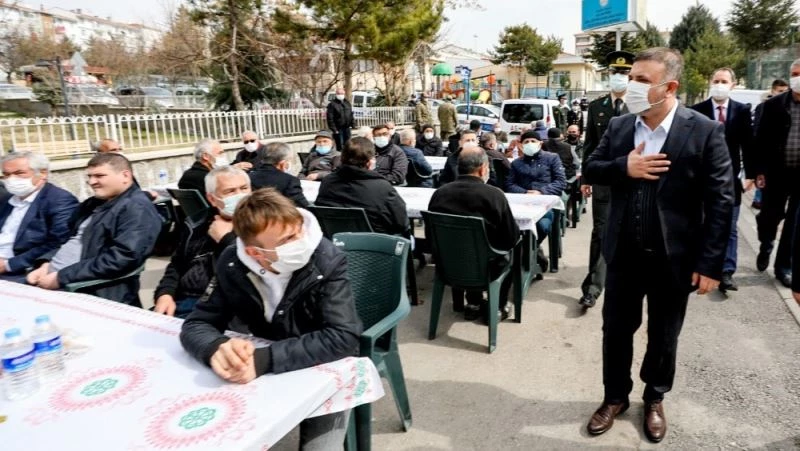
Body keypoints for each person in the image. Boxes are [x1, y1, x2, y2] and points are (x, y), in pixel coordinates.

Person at [583, 47, 734, 443]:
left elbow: (721, 201)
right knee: (616, 330)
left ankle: (654, 398)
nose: (632, 85)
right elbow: (590, 168)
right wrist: (624, 167)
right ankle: (614, 397)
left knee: (664, 335)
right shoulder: (620, 127)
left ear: (669, 88)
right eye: (632, 77)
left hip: (674, 258)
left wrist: (712, 264)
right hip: (623, 254)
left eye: (642, 80)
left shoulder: (703, 131)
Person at [179, 188, 361, 449]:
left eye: (298, 229)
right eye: (287, 240)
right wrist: (215, 348)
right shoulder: (233, 263)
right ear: (255, 253)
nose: (301, 241)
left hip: (321, 366)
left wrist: (263, 359)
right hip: (259, 369)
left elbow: (343, 336)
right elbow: (199, 322)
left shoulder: (325, 258)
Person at [26, 153, 163, 306]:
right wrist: (46, 263)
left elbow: (123, 257)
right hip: (53, 277)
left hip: (86, 289)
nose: (92, 182)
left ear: (125, 176)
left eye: (99, 176)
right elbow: (70, 239)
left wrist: (61, 277)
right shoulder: (94, 204)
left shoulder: (136, 208)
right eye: (89, 176)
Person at [428, 144, 520, 321]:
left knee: (469, 248)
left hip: (448, 264)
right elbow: (510, 237)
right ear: (482, 169)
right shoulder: (494, 195)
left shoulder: (440, 194)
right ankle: (499, 305)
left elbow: (431, 233)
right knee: (510, 250)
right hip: (486, 267)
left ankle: (473, 302)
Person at [690, 67, 755, 293]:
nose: (719, 84)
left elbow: (748, 145)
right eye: (716, 80)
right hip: (701, 179)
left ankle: (726, 271)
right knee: (701, 222)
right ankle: (699, 265)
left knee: (729, 226)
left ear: (732, 85)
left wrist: (752, 175)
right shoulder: (696, 111)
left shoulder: (741, 111)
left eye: (724, 81)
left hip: (731, 179)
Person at [153, 166, 249, 318]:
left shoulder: (261, 225)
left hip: (222, 307)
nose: (240, 195)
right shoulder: (197, 223)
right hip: (182, 299)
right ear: (212, 199)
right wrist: (165, 293)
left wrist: (226, 240)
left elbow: (253, 274)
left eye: (244, 188)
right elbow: (177, 264)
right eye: (230, 191)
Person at [578, 50, 633, 309]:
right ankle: (592, 288)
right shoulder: (597, 106)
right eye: (615, 73)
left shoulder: (639, 105)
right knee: (601, 231)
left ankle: (623, 283)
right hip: (603, 179)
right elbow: (589, 145)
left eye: (624, 73)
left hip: (634, 180)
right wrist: (586, 177)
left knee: (630, 234)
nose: (619, 77)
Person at [754, 66, 800, 288]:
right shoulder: (774, 105)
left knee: (794, 223)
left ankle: (784, 267)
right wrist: (759, 171)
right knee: (769, 217)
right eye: (795, 74)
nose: (798, 79)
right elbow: (760, 139)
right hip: (776, 173)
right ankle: (766, 244)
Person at [0, 152, 78, 281]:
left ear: (43, 173)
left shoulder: (59, 200)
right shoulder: (7, 199)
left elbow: (59, 243)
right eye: (6, 175)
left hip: (22, 270)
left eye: (19, 173)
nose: (11, 179)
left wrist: (8, 265)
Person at [315, 137, 410, 236]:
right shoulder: (382, 187)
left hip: (336, 241)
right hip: (376, 245)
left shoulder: (327, 182)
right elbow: (402, 223)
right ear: (369, 162)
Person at [506, 129, 565, 252]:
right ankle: (529, 253)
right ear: (521, 145)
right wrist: (525, 193)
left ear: (540, 143)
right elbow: (509, 184)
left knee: (541, 226)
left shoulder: (552, 158)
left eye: (533, 141)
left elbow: (560, 181)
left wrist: (541, 192)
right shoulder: (516, 163)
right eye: (526, 141)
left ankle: (531, 251)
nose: (530, 143)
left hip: (546, 205)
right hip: (522, 205)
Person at [752, 79, 789, 210]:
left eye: (785, 91)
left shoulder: (790, 106)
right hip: (769, 159)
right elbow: (758, 133)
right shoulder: (764, 107)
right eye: (780, 91)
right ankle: (758, 199)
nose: (783, 93)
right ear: (773, 91)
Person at [248, 142, 309, 207]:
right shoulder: (290, 181)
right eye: (288, 160)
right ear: (282, 164)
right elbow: (302, 206)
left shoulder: (248, 177)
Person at [326, 87, 354, 152]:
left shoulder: (347, 103)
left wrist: (353, 124)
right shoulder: (332, 104)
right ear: (336, 94)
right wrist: (334, 129)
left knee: (348, 145)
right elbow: (330, 118)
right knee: (340, 146)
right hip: (338, 129)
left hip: (347, 128)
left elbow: (351, 114)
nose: (340, 95)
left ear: (344, 94)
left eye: (342, 93)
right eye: (339, 93)